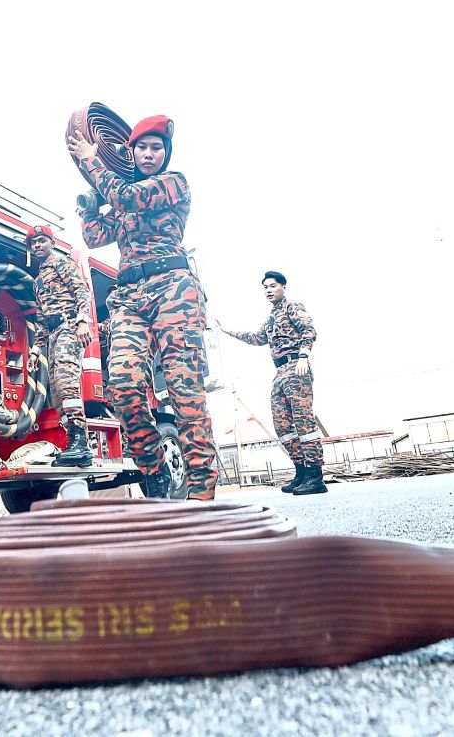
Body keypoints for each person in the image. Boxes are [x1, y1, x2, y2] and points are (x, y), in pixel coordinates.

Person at [67, 115, 217, 500]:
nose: (150, 154)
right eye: (142, 148)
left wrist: (91, 161)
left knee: (185, 390)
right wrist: (90, 206)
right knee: (122, 385)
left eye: (157, 148)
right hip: (129, 296)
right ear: (130, 152)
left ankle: (202, 493)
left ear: (166, 154)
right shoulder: (121, 195)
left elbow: (127, 197)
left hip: (173, 291)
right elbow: (94, 236)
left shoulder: (173, 183)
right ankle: (154, 472)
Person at [217, 271, 327, 495]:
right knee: (282, 425)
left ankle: (315, 477)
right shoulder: (271, 317)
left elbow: (309, 330)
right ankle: (301, 472)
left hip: (296, 367)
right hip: (280, 372)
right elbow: (257, 338)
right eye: (265, 287)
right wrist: (227, 331)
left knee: (303, 423)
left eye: (273, 286)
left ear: (283, 287)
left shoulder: (292, 307)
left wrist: (303, 356)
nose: (268, 290)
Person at [26, 224, 94, 466]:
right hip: (54, 334)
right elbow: (41, 320)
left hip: (69, 328)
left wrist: (83, 321)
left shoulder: (62, 263)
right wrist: (35, 351)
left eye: (41, 241)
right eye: (33, 243)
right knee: (56, 393)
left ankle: (81, 443)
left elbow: (82, 291)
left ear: (52, 243)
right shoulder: (37, 281)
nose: (37, 245)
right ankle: (74, 442)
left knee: (66, 384)